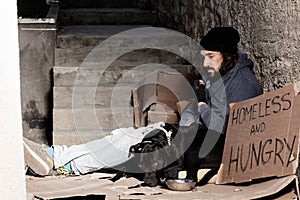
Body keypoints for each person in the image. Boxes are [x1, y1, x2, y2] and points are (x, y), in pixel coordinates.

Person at [24, 27, 262, 179]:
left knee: (126, 144)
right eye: (202, 57)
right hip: (195, 138)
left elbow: (228, 128)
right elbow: (199, 112)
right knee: (123, 135)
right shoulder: (219, 75)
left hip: (211, 151)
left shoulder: (242, 83)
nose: (205, 63)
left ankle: (63, 163)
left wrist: (201, 109)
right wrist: (193, 115)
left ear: (228, 56)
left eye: (211, 57)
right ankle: (58, 156)